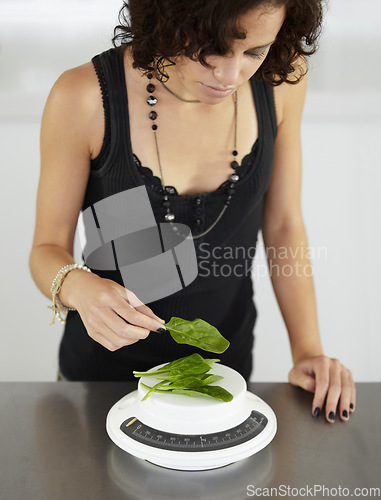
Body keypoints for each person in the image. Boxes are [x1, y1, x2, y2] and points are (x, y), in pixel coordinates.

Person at [29, 0, 355, 423]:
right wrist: (79, 289)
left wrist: (308, 351)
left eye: (254, 51)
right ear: (168, 21)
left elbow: (284, 223)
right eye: (211, 50)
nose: (231, 75)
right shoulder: (83, 97)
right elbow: (47, 249)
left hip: (221, 381)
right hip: (101, 385)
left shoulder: (281, 79)